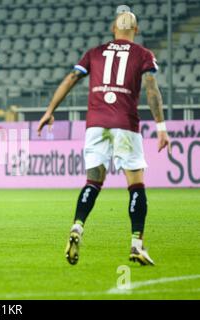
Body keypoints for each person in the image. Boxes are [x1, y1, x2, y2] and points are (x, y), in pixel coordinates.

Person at [37, 11, 170, 266]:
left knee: (93, 182)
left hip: (95, 125)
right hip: (125, 125)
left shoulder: (95, 52)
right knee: (136, 185)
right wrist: (161, 126)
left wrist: (49, 111)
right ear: (137, 30)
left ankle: (77, 227)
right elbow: (152, 89)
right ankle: (136, 244)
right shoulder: (143, 54)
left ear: (112, 29)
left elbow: (72, 78)